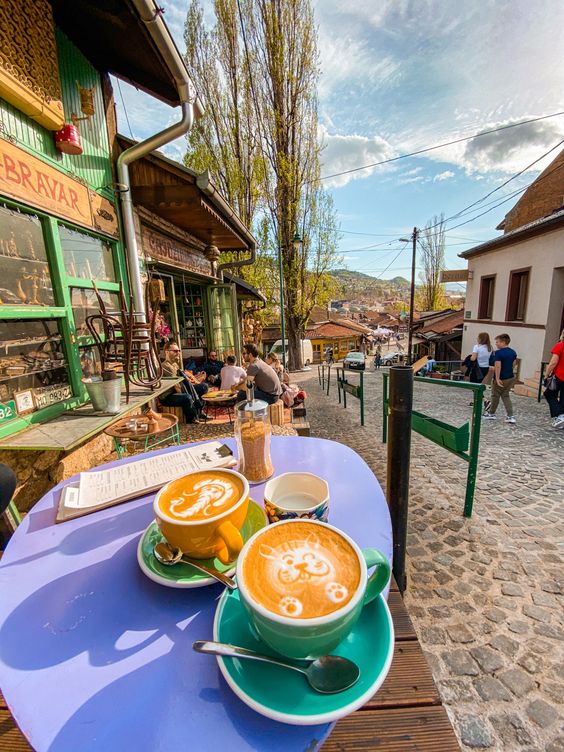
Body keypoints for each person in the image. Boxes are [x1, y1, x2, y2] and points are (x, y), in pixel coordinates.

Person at [160, 343, 207, 423]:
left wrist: (191, 386)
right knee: (187, 397)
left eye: (179, 351)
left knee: (203, 386)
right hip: (168, 396)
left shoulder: (175, 365)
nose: (178, 353)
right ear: (167, 352)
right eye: (175, 351)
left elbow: (184, 379)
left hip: (178, 389)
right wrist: (189, 393)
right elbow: (176, 386)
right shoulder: (165, 366)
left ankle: (200, 411)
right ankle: (193, 418)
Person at [483, 333, 517, 424]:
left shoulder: (498, 353)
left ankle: (491, 413)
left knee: (495, 395)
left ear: (503, 342)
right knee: (505, 395)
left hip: (501, 378)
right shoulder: (513, 352)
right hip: (510, 377)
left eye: (497, 342)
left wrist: (497, 379)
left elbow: (498, 366)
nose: (496, 344)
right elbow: (514, 364)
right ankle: (510, 416)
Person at [543, 329, 564, 428]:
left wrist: (546, 374)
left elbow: (553, 362)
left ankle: (560, 415)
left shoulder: (560, 345)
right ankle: (560, 417)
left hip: (560, 375)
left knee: (549, 394)